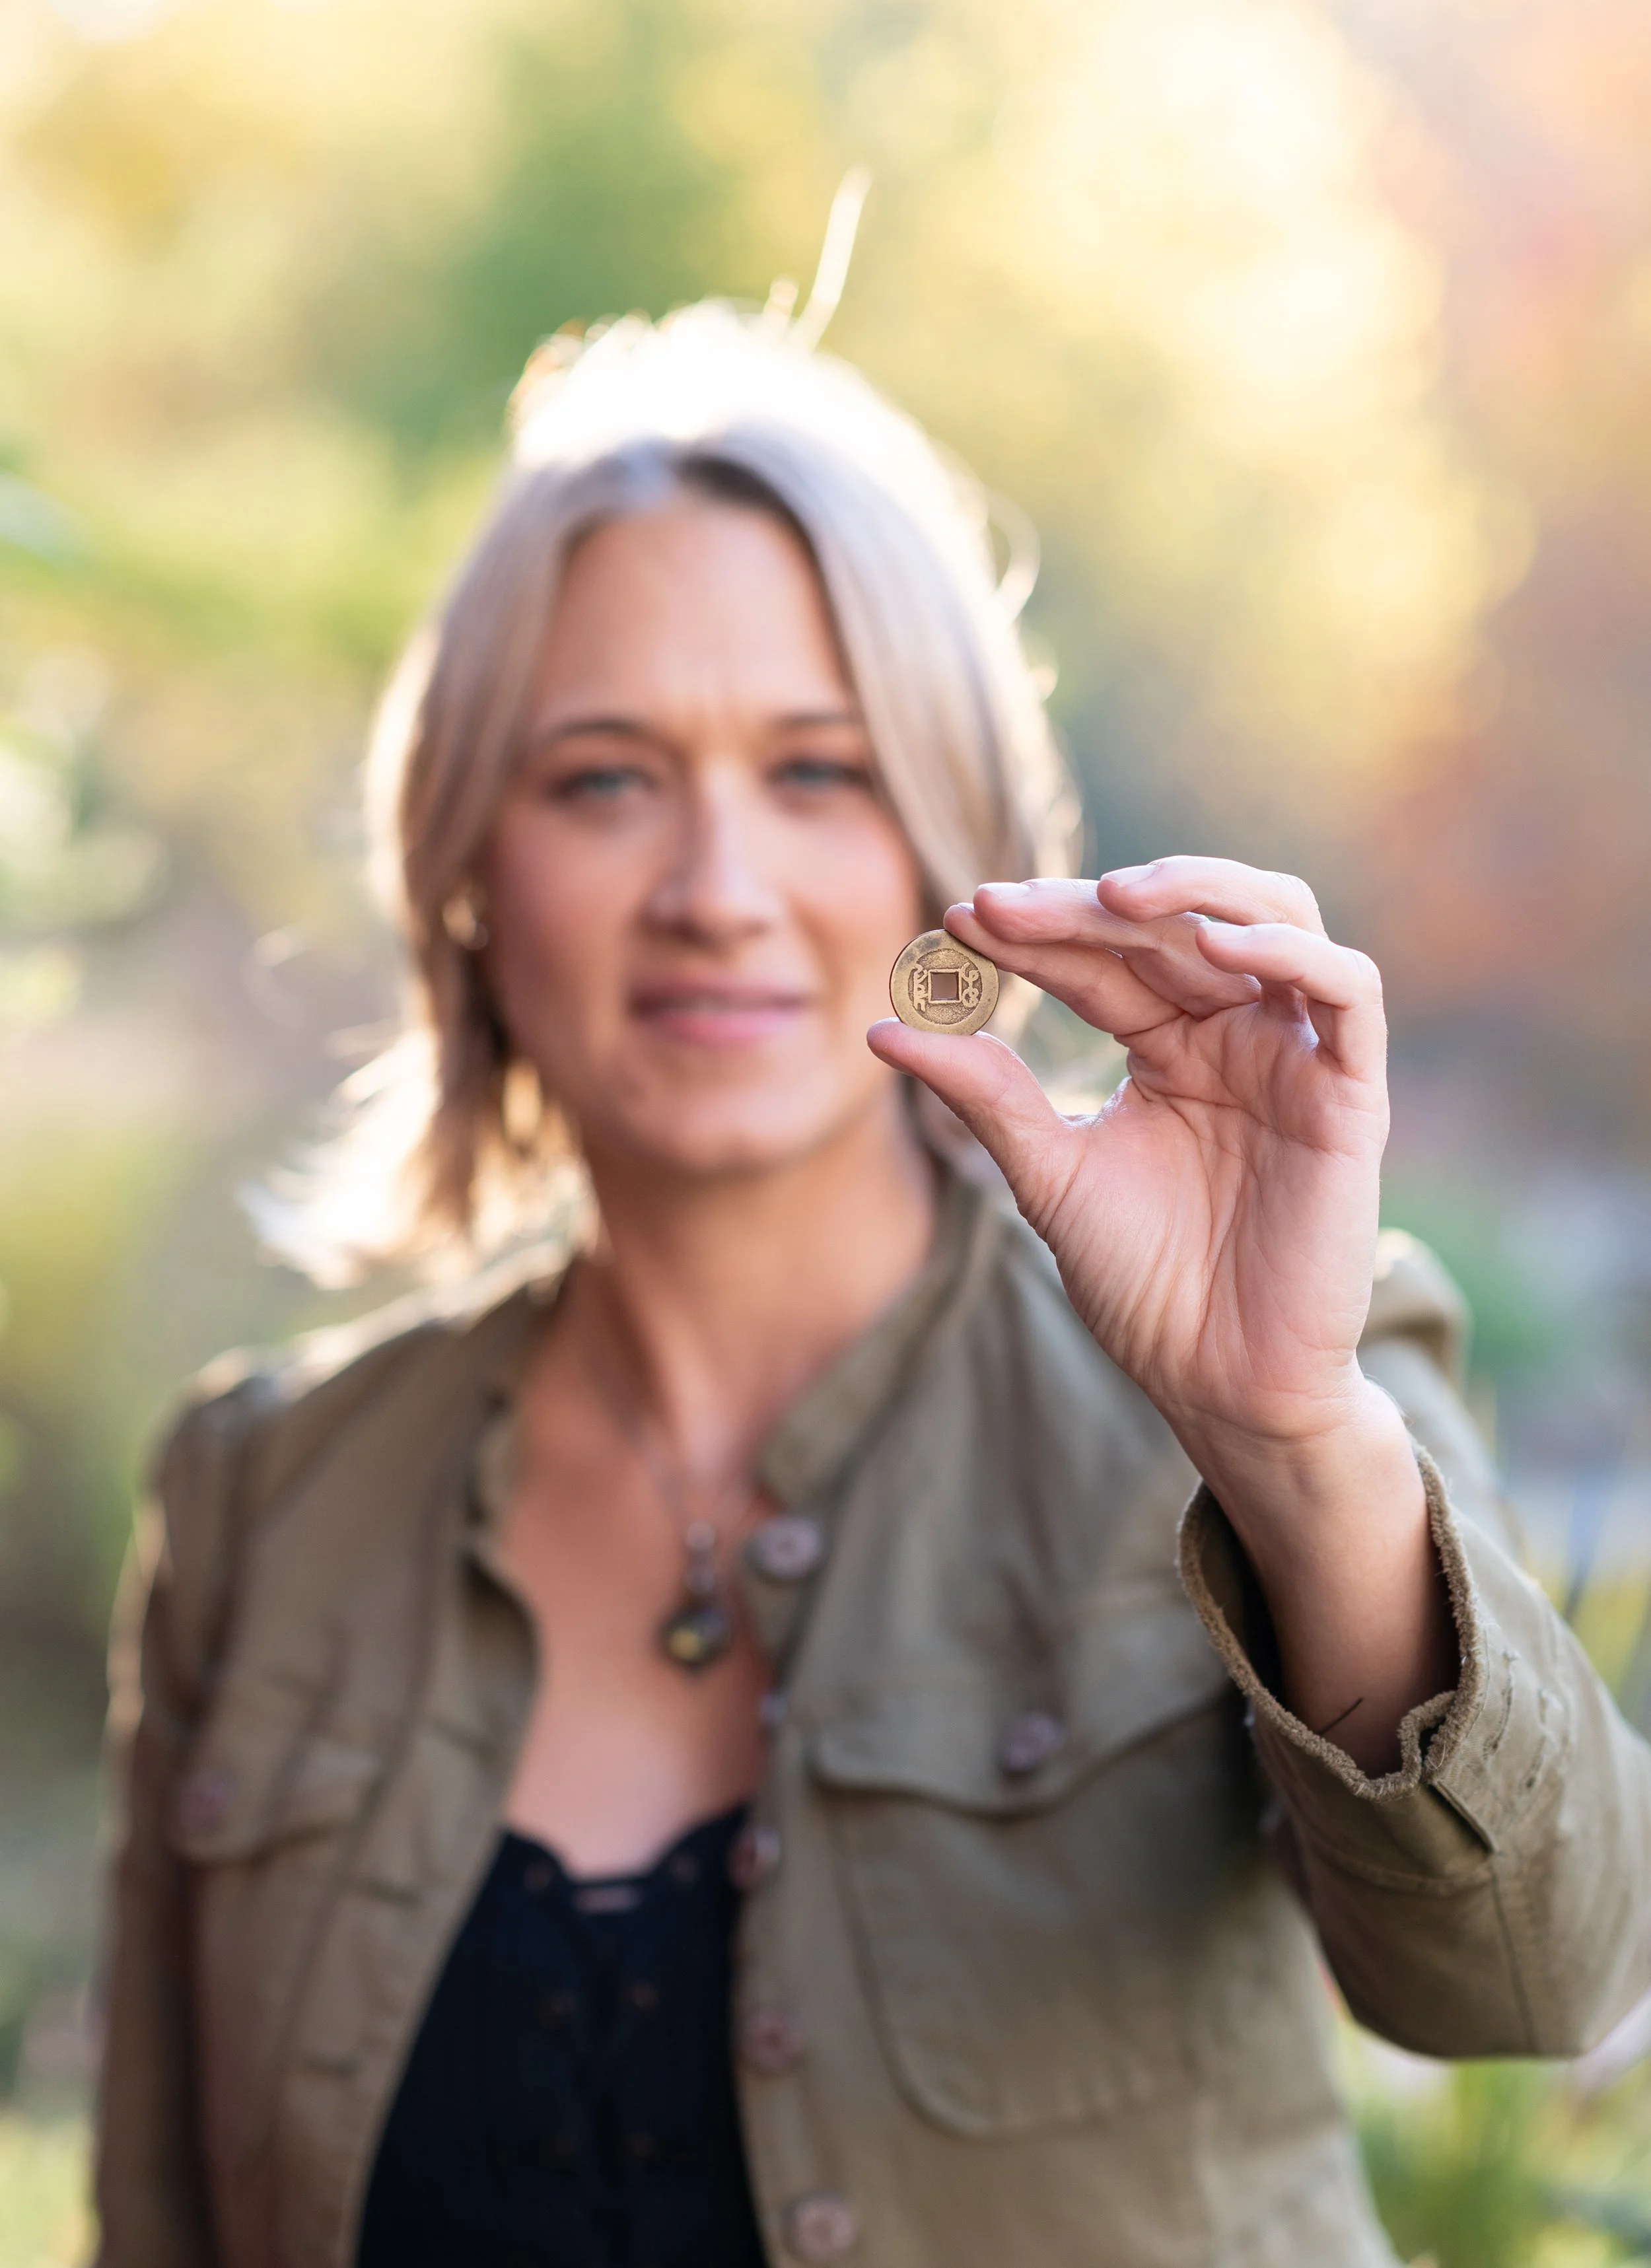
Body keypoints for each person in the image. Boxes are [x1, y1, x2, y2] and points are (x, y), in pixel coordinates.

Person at [94, 293, 1651, 2268]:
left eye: (818, 772)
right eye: (600, 778)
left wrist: (1282, 1444)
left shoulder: (1267, 1401)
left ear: (962, 860)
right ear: (465, 869)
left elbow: (1540, 1979)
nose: (715, 886)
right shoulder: (264, 1498)